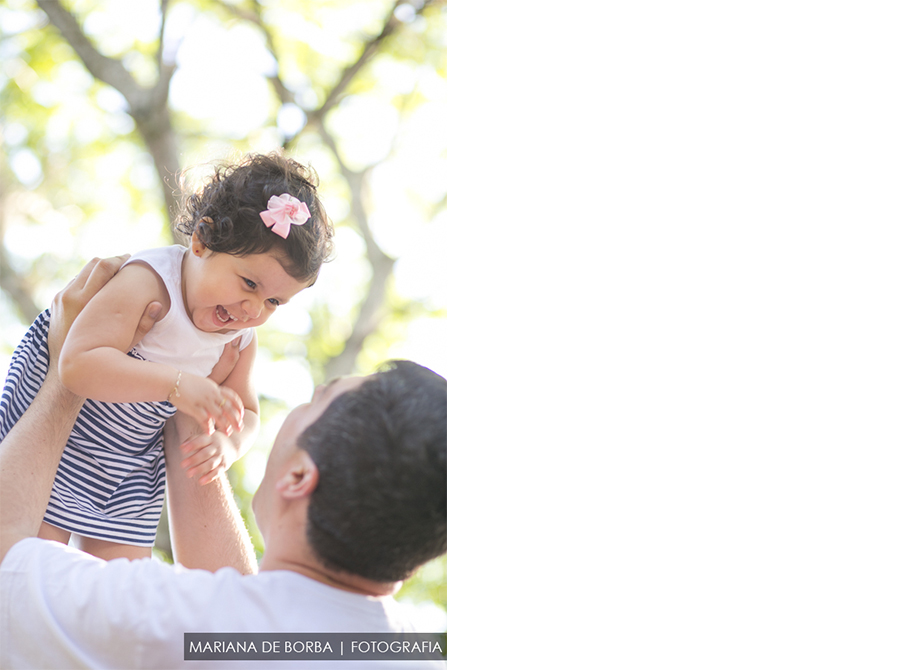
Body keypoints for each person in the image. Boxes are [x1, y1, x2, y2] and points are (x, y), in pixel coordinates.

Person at [0, 256, 447, 669]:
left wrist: (66, 371)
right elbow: (256, 625)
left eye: (314, 400)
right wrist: (190, 415)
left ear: (299, 476)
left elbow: (6, 559)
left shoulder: (159, 624)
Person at [0, 152, 334, 560]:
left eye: (274, 302)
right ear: (201, 240)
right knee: (30, 560)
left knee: (121, 586)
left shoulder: (239, 339)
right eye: (248, 283)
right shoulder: (150, 282)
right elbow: (76, 363)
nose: (253, 310)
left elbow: (246, 412)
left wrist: (226, 447)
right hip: (62, 440)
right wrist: (175, 385)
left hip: (127, 466)